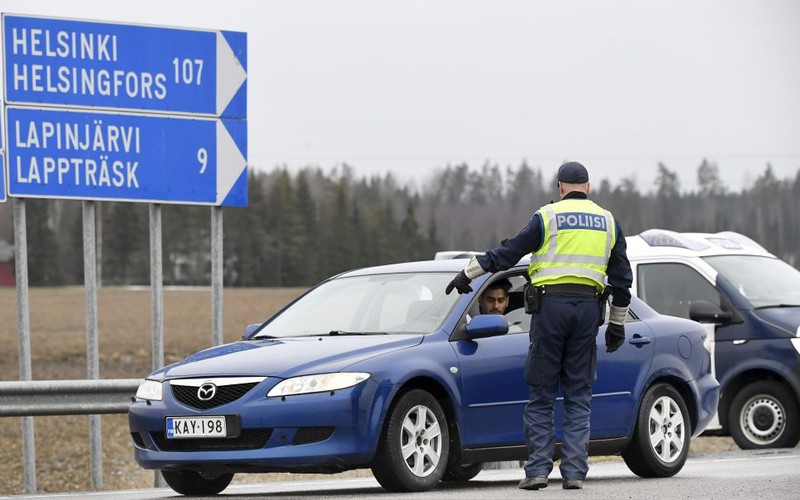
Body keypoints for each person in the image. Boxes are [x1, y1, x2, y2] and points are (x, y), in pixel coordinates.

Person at [445, 161, 632, 491]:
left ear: (560, 186)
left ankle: (537, 472)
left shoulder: (547, 216)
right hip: (588, 311)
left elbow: (508, 252)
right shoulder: (608, 222)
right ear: (588, 186)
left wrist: (469, 273)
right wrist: (617, 325)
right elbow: (621, 280)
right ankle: (574, 474)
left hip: (550, 311)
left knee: (543, 393)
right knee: (578, 394)